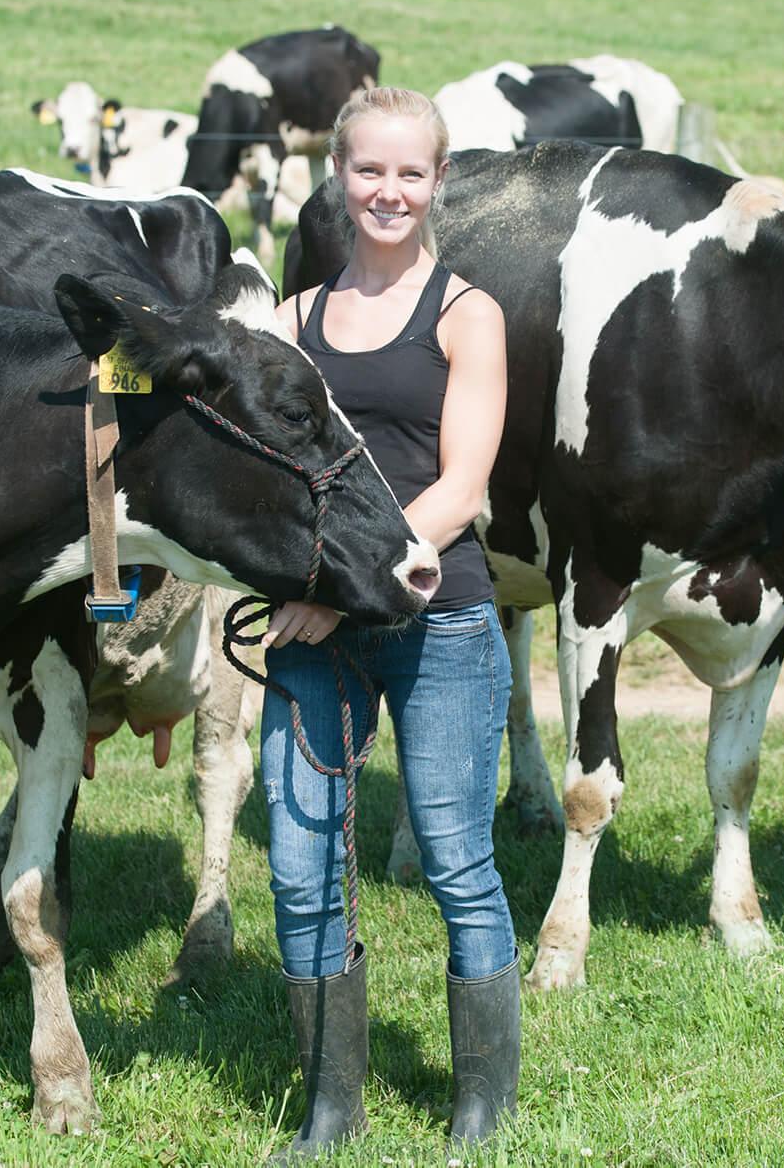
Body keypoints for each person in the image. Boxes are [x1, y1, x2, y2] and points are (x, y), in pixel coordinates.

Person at [261, 86, 516, 1155]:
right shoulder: (290, 323)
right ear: (339, 175)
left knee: (456, 857)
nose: (389, 190)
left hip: (438, 617)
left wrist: (336, 588)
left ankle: (481, 1107)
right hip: (310, 631)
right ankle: (332, 1109)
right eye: (370, 169)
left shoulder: (466, 314)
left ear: (439, 182)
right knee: (296, 858)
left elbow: (461, 489)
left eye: (411, 172)